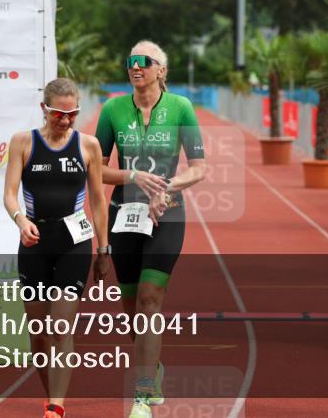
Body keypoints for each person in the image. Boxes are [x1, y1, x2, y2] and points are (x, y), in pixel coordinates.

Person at [94, 40, 206, 418]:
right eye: (130, 61)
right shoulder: (112, 109)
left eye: (145, 62)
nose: (135, 67)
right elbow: (96, 168)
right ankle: (152, 369)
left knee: (149, 299)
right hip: (123, 215)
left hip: (167, 215)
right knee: (131, 311)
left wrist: (167, 187)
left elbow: (199, 167)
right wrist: (131, 175)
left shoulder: (181, 108)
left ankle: (141, 395)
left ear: (162, 70)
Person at [3, 77, 109, 418]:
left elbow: (97, 200)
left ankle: (56, 408)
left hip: (74, 243)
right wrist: (21, 220)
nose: (65, 121)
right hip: (33, 242)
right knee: (38, 337)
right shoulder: (23, 142)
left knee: (60, 328)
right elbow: (9, 194)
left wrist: (103, 250)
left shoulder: (88, 146)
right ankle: (52, 396)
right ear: (44, 109)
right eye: (58, 114)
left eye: (72, 114)